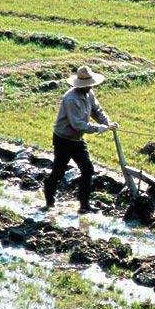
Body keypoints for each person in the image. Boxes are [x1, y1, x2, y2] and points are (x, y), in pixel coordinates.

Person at [43, 66, 118, 214]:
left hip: (77, 140)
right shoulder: (71, 98)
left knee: (88, 169)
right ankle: (49, 199)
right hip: (63, 139)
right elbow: (77, 124)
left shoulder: (89, 93)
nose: (89, 86)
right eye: (87, 85)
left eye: (90, 84)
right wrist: (98, 128)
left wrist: (107, 123)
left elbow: (97, 110)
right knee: (59, 171)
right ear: (79, 85)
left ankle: (84, 205)